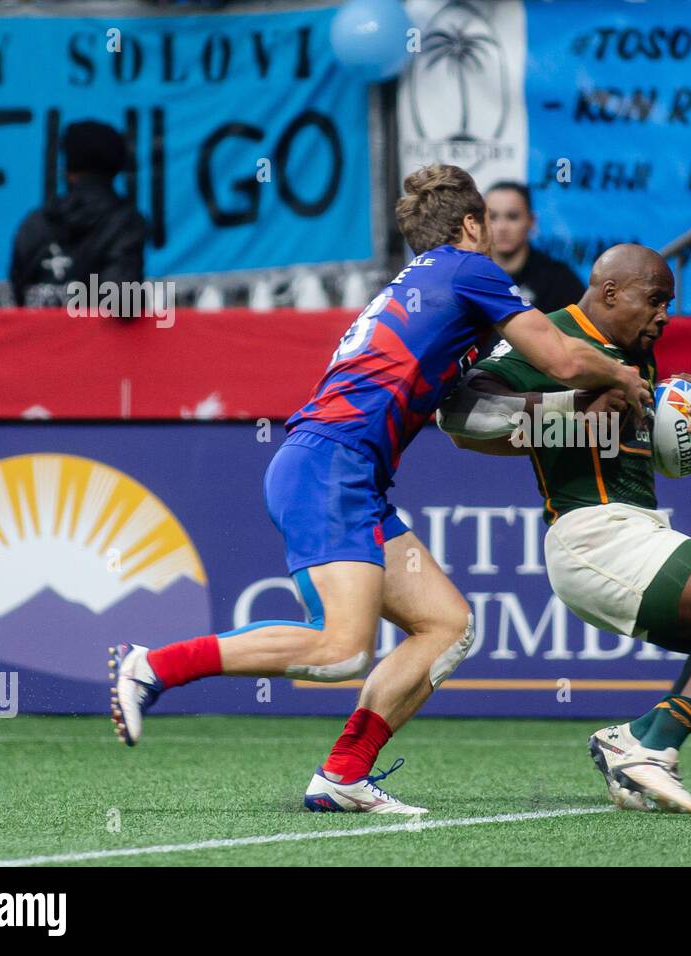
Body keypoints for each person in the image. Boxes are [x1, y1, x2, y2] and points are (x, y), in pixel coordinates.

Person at [109, 164, 649, 814]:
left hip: (340, 471)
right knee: (339, 650)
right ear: (471, 224)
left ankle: (343, 774)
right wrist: (622, 378)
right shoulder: (466, 269)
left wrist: (556, 415)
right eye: (488, 222)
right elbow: (561, 357)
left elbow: (465, 420)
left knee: (446, 626)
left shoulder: (423, 286)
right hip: (332, 466)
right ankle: (154, 666)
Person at [437, 243, 691, 813]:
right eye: (655, 300)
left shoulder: (634, 351)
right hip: (591, 532)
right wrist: (566, 408)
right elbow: (458, 416)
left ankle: (635, 738)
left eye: (670, 304)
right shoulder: (551, 335)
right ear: (610, 292)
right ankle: (653, 747)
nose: (665, 315)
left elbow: (648, 446)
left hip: (633, 527)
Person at [9, 120, 147, 309]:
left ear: (67, 170)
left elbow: (18, 295)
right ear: (117, 169)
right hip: (96, 338)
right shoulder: (126, 224)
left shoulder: (35, 222)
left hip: (40, 337)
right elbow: (123, 302)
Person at [485, 181, 585, 313]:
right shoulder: (468, 277)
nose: (502, 227)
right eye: (492, 217)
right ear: (481, 222)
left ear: (531, 221)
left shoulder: (559, 281)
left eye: (513, 216)